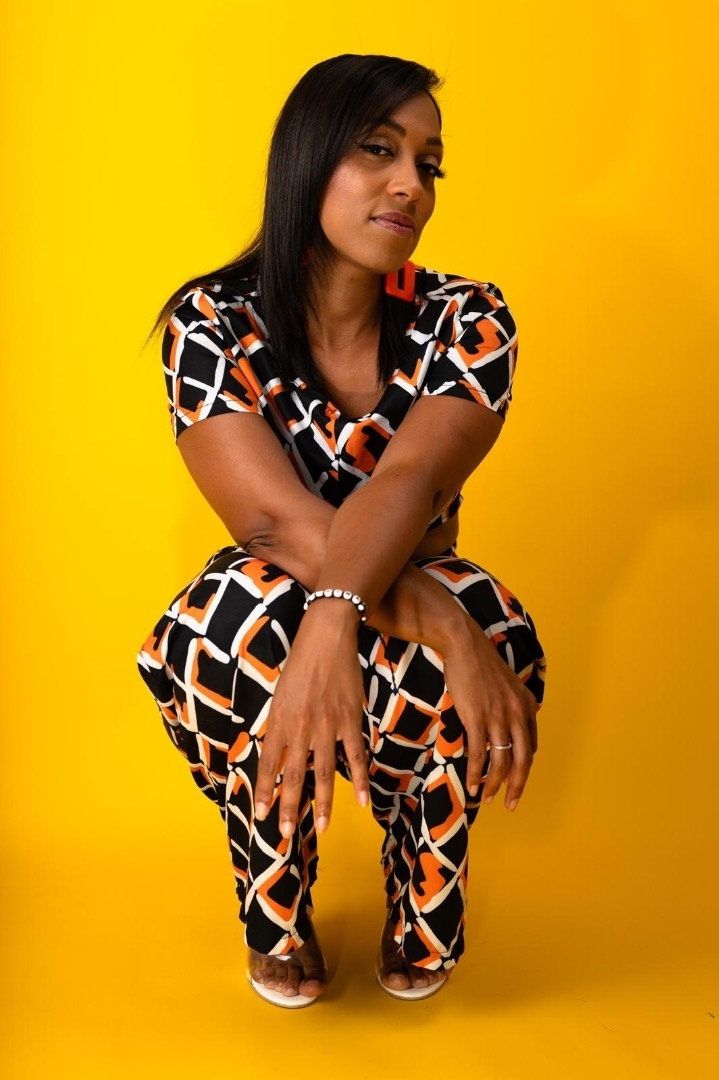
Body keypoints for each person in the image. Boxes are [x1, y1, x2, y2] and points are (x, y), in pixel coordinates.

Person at [137, 53, 547, 1008]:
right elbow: (269, 521)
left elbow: (410, 479)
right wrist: (423, 620)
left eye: (428, 164)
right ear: (308, 159)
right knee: (238, 609)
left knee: (487, 620)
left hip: (389, 652)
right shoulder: (211, 321)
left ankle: (425, 891)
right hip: (283, 617)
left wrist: (358, 616)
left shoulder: (467, 318)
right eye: (377, 150)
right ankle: (275, 896)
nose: (410, 185)